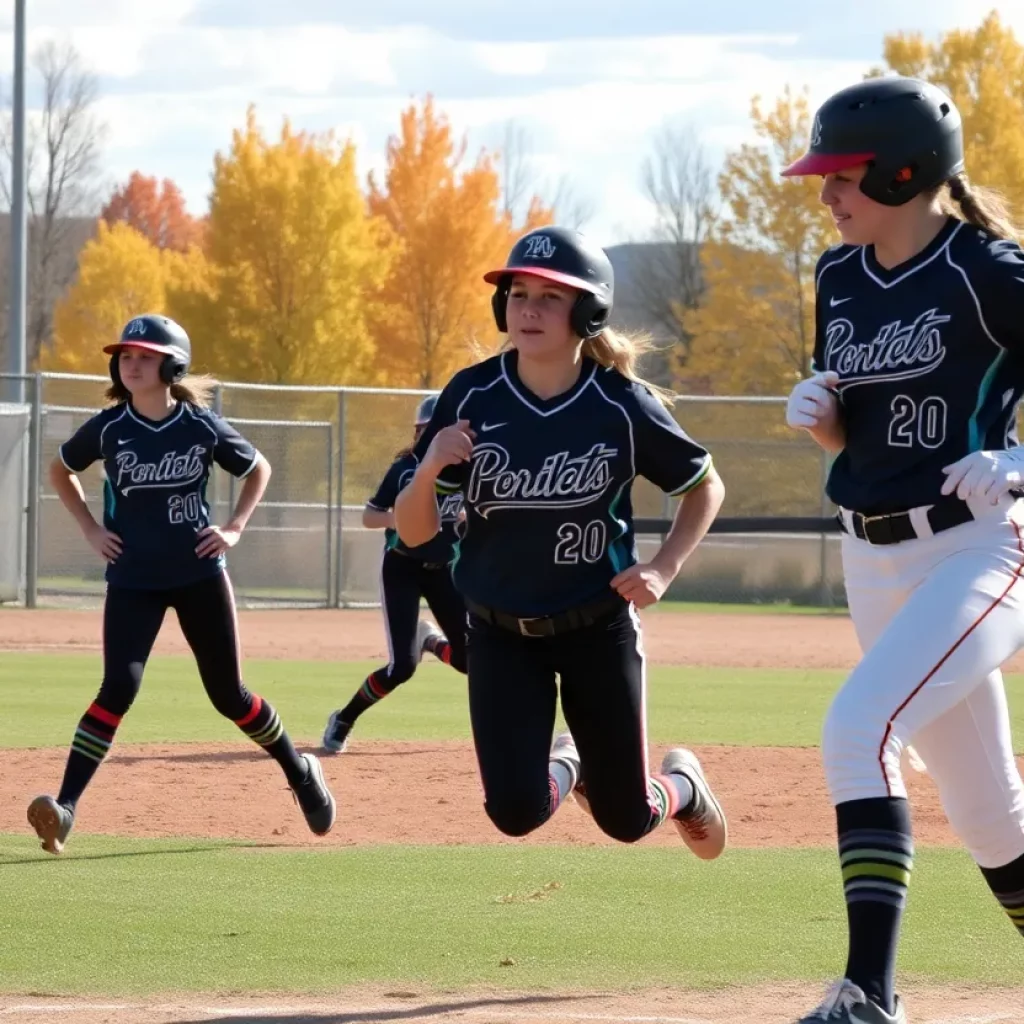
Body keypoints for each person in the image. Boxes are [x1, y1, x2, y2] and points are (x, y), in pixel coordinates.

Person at [781, 75, 1024, 1023]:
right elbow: (864, 429)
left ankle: (867, 997)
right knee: (990, 814)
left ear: (903, 170)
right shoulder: (838, 274)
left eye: (842, 176)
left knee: (857, 730)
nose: (827, 194)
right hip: (871, 558)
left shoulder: (990, 271)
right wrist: (827, 421)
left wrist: (1017, 459)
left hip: (978, 553)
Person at [393, 225, 728, 856]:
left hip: (596, 629)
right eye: (519, 294)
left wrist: (663, 566)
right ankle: (568, 765)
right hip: (496, 632)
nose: (529, 309)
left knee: (625, 820)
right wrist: (430, 466)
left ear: (588, 311)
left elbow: (704, 485)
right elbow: (416, 532)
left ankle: (683, 784)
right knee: (514, 813)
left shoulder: (621, 404)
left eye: (551, 297)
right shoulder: (472, 394)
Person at [27, 314, 336, 855]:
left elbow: (257, 468)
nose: (132, 364)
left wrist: (235, 527)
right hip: (133, 579)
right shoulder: (109, 426)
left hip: (198, 574)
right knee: (117, 688)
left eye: (145, 356)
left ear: (173, 365)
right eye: (125, 356)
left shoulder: (199, 424)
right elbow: (60, 470)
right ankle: (67, 809)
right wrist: (89, 527)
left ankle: (299, 769)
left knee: (229, 696)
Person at [322, 394, 467, 753]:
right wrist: (401, 518)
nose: (433, 437)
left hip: (444, 569)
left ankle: (431, 642)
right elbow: (370, 516)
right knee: (401, 668)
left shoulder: (470, 471)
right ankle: (344, 717)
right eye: (427, 431)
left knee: (472, 662)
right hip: (403, 567)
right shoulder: (405, 470)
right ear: (418, 433)